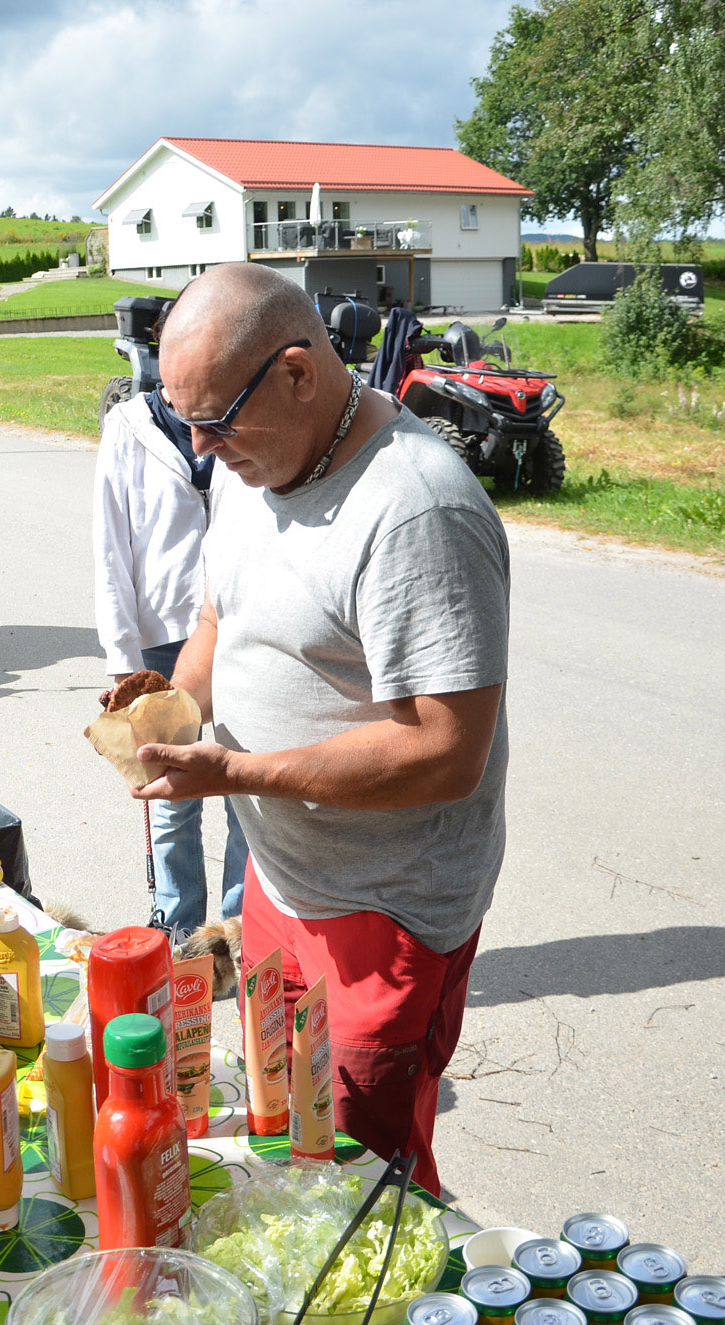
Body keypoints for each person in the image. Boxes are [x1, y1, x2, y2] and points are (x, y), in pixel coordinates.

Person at [132, 262, 509, 1197]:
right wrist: (171, 708)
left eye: (216, 419)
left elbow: (444, 749)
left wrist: (238, 773)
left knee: (367, 1177)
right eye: (186, 420)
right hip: (279, 885)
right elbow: (223, 618)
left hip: (384, 911)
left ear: (299, 372)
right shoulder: (254, 464)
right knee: (284, 1124)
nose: (202, 446)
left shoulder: (417, 506)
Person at [93, 379, 246, 935]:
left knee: (244, 791)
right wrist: (123, 657)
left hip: (239, 634)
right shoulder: (129, 428)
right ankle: (178, 931)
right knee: (171, 800)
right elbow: (109, 547)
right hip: (161, 644)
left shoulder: (241, 417)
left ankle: (236, 935)